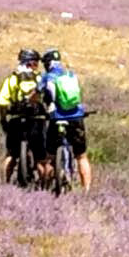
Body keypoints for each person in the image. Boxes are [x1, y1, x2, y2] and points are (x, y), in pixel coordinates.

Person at [39, 48, 91, 192]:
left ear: (47, 63)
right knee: (81, 156)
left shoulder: (47, 76)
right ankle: (86, 189)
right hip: (76, 117)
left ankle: (45, 187)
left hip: (56, 118)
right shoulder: (70, 74)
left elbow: (37, 95)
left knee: (49, 156)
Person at [0, 48, 45, 183]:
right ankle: (44, 186)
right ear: (32, 63)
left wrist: (3, 119)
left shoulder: (12, 79)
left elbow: (2, 102)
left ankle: (4, 182)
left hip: (16, 121)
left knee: (11, 155)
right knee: (41, 158)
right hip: (36, 121)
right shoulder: (39, 78)